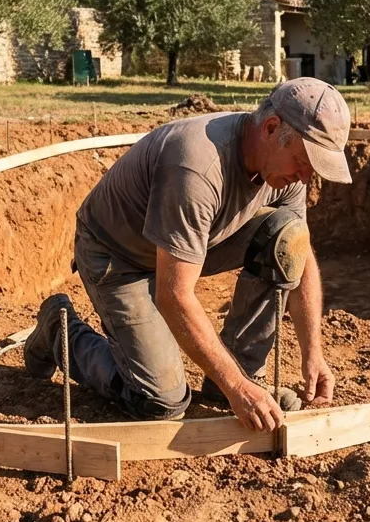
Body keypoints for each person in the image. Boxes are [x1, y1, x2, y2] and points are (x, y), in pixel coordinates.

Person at [24, 78, 352, 432]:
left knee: (287, 235)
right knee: (160, 401)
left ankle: (240, 367)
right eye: (303, 162)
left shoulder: (283, 171)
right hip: (119, 256)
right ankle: (59, 331)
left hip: (187, 243)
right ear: (272, 128)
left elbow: (300, 257)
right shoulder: (197, 165)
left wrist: (312, 352)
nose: (305, 177)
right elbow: (174, 294)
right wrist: (238, 389)